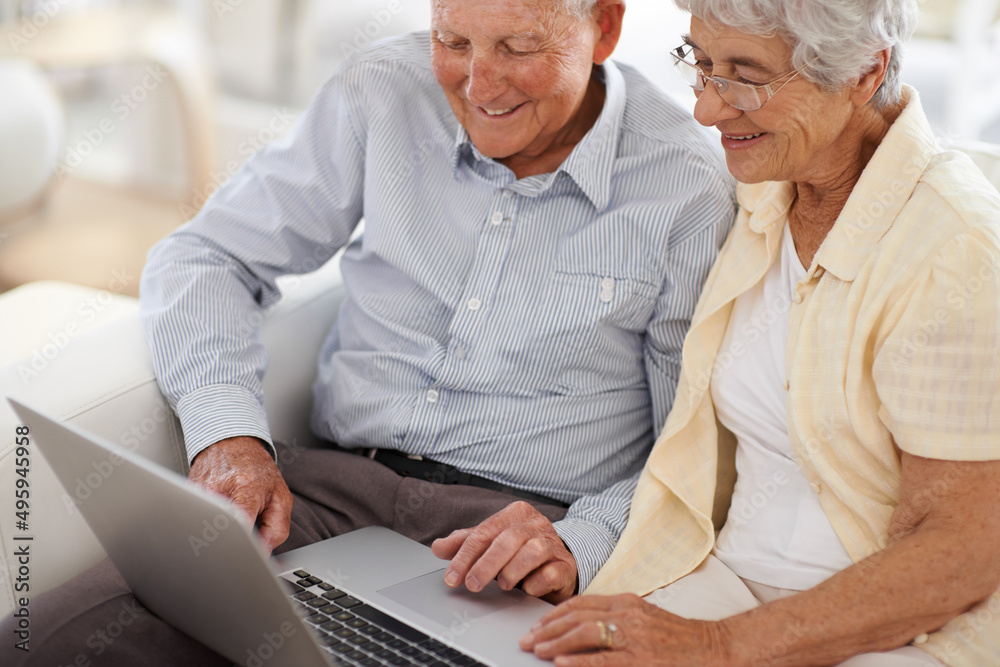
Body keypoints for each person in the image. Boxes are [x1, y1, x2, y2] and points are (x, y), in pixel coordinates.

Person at [3, 0, 735, 664]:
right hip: (320, 494)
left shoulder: (685, 188)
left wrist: (580, 544)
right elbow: (205, 255)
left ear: (603, 26)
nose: (479, 86)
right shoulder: (381, 90)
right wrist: (229, 435)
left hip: (506, 540)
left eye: (517, 46)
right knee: (41, 645)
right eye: (453, 40)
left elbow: (691, 440)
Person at [520, 0, 1000, 665]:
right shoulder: (767, 189)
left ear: (865, 71)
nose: (707, 110)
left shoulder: (958, 249)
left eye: (746, 76)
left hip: (902, 629)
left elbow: (961, 551)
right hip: (725, 573)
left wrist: (715, 646)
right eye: (702, 64)